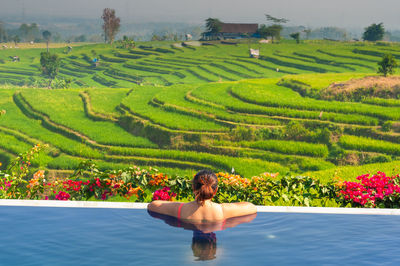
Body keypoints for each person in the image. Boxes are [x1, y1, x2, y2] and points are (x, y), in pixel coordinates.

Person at [147, 169, 257, 222]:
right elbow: (251, 207)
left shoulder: (180, 209)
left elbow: (152, 205)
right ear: (216, 190)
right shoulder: (223, 211)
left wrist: (177, 204)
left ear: (193, 188)